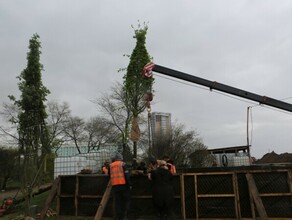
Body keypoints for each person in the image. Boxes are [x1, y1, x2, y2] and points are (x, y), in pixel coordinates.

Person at [109, 152, 132, 220]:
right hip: (124, 186)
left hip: (115, 186)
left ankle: (118, 217)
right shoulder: (123, 164)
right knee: (126, 201)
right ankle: (125, 216)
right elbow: (126, 176)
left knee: (118, 202)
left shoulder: (111, 165)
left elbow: (109, 175)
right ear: (121, 158)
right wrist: (129, 184)